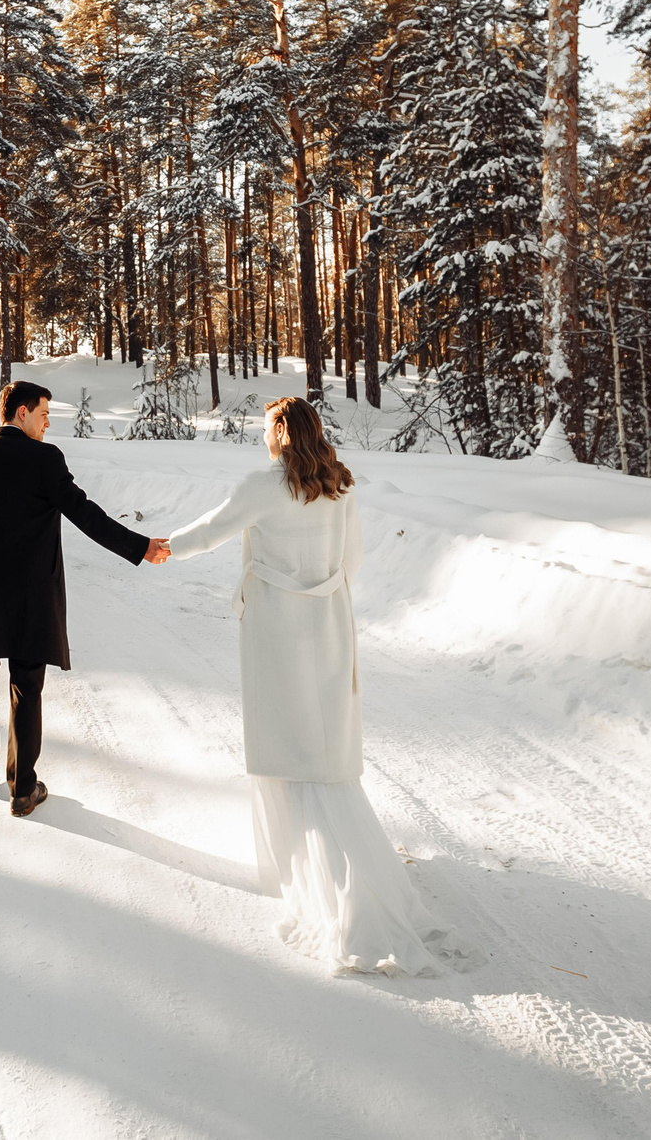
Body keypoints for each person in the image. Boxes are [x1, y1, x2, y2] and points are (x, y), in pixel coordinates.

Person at [163, 396, 453, 974]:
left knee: (283, 734)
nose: (263, 439)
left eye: (266, 428)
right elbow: (353, 560)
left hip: (275, 622)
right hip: (328, 621)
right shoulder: (338, 484)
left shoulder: (263, 484)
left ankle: (304, 867)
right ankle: (346, 858)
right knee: (321, 739)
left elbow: (214, 530)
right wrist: (325, 596)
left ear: (279, 430)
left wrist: (161, 546)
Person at [0, 379, 169, 817]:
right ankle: (23, 789)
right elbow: (85, 513)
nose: (48, 423)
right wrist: (139, 547)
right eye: (44, 413)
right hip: (30, 592)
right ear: (21, 412)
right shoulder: (45, 459)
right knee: (26, 683)